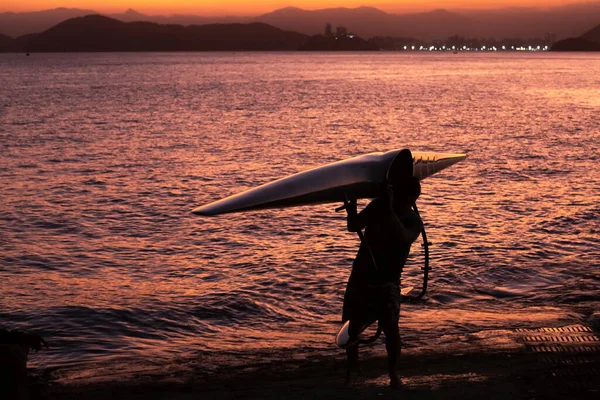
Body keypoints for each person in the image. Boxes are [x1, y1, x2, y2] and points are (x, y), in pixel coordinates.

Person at [342, 174, 422, 389]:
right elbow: (354, 226)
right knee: (351, 325)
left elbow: (403, 238)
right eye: (401, 199)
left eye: (408, 201)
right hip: (361, 276)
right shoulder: (378, 207)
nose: (403, 204)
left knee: (391, 329)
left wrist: (389, 209)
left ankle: (394, 374)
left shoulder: (413, 220)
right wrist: (352, 209)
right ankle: (352, 369)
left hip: (388, 281)